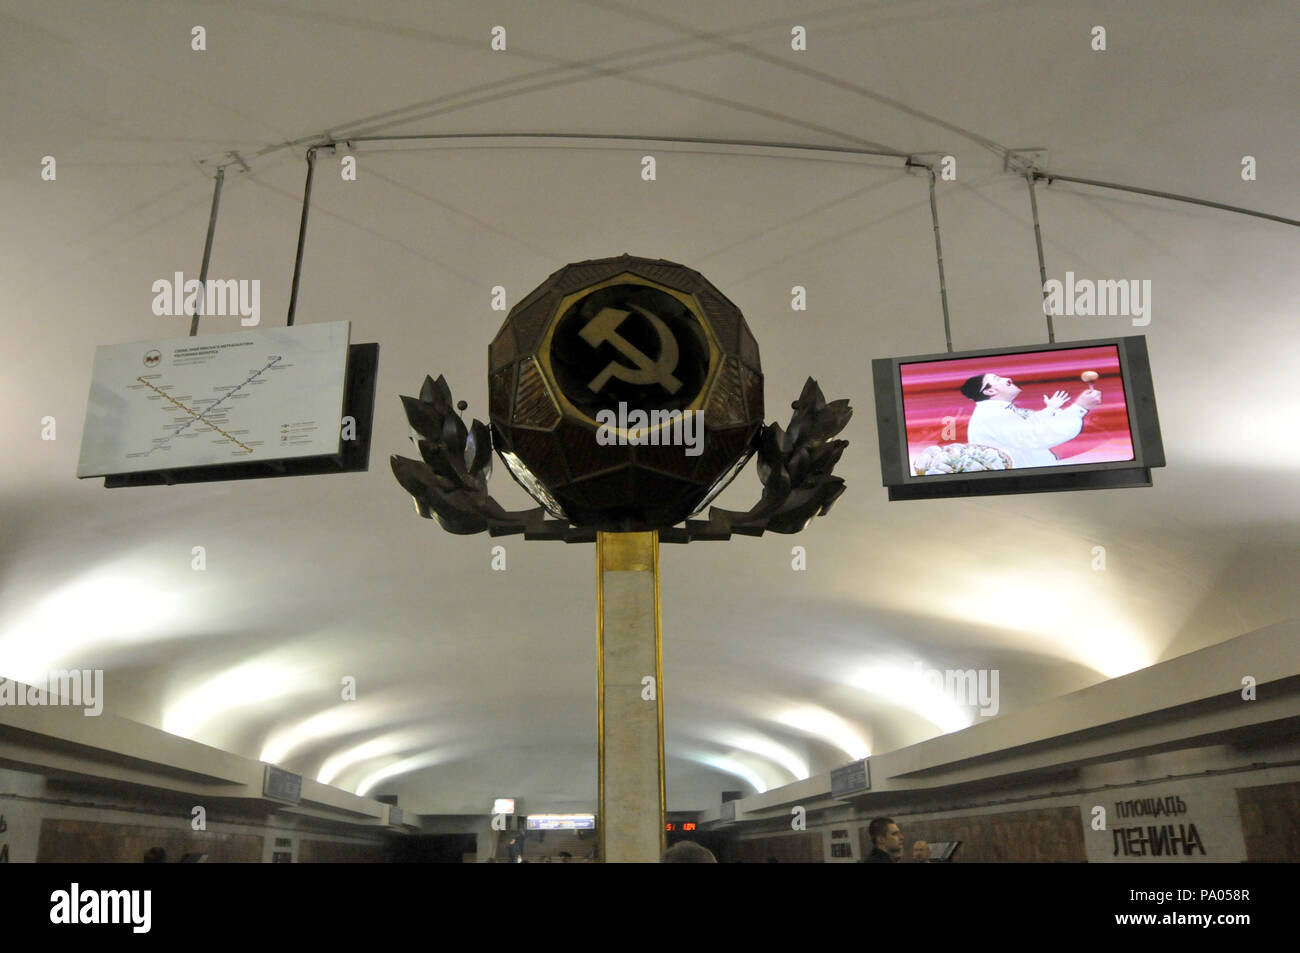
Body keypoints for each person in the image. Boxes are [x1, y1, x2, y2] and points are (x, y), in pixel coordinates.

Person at [959, 373, 1102, 468]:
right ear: (990, 391)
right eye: (997, 379)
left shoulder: (996, 411)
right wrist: (1080, 407)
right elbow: (1035, 436)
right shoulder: (992, 415)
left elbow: (1027, 426)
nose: (1007, 379)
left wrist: (1050, 409)